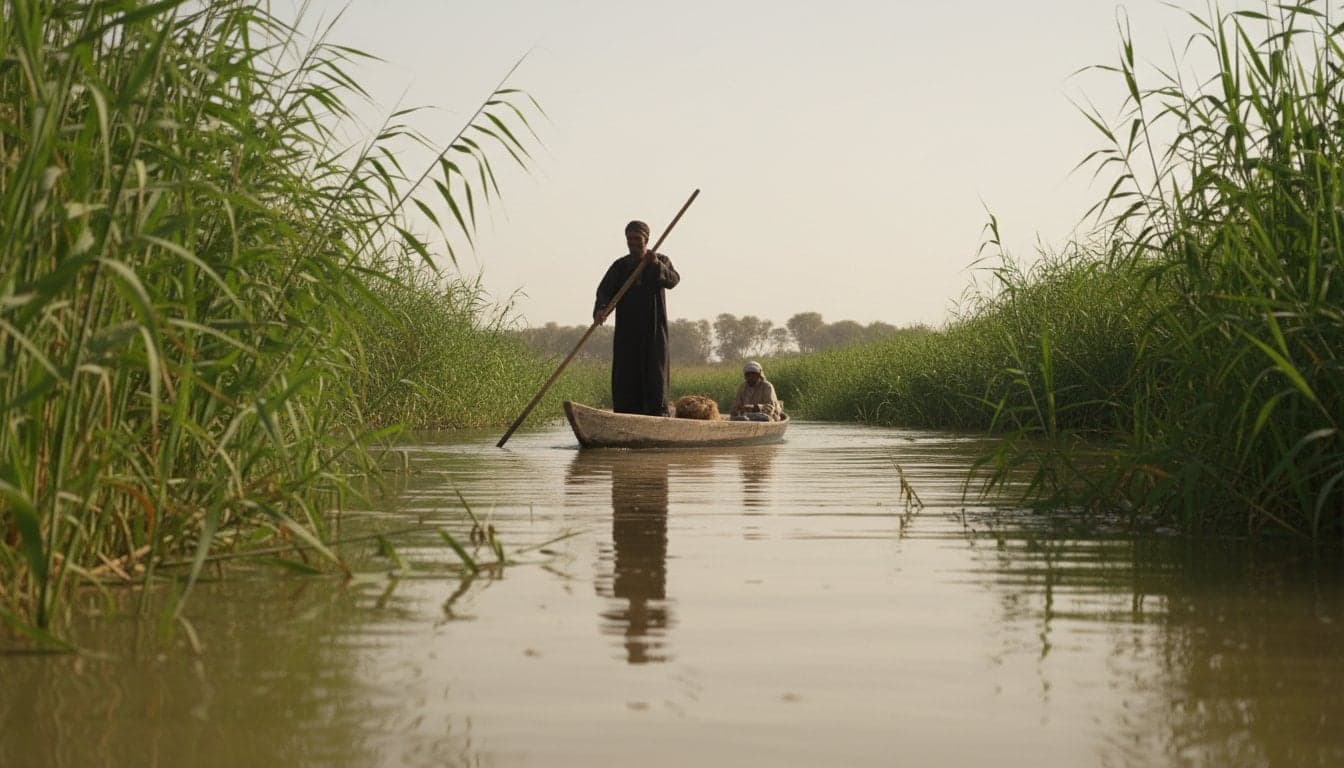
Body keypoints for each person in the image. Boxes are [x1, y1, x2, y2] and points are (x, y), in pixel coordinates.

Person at [594, 220, 681, 416]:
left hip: (653, 329)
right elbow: (604, 291)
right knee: (626, 372)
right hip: (628, 330)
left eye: (637, 239)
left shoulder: (660, 260)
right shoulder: (620, 266)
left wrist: (655, 264)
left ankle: (657, 415)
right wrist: (601, 309)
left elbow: (673, 280)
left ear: (646, 240)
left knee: (655, 372)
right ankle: (626, 414)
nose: (633, 243)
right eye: (630, 239)